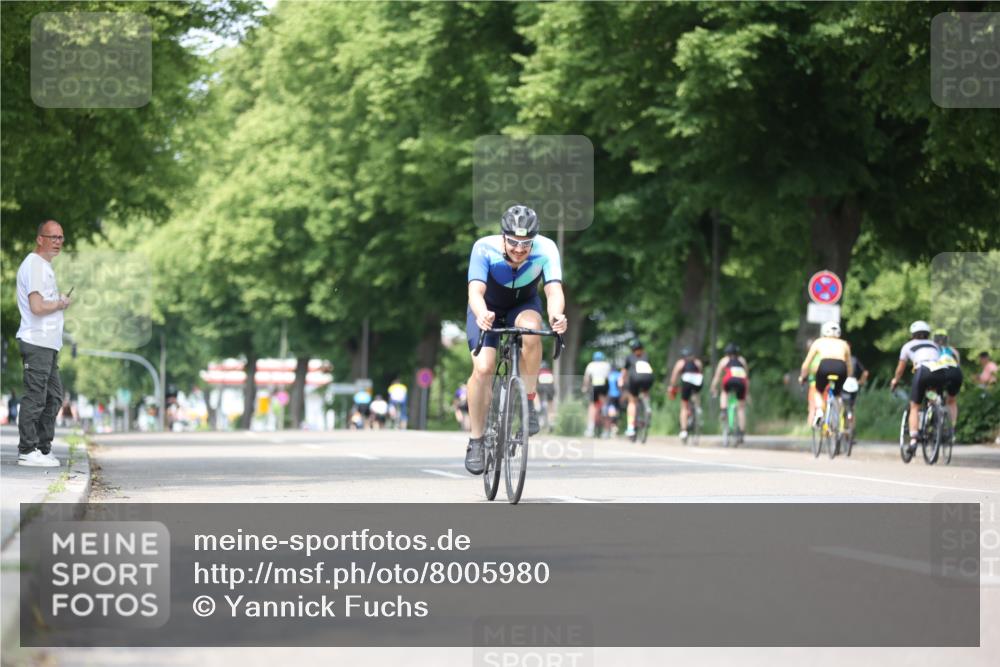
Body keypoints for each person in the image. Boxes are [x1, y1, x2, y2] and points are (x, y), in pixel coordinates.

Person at [464, 205, 567, 474]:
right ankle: (476, 440)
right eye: (513, 242)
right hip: (486, 308)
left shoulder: (547, 249)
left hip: (523, 306)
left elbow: (553, 290)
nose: (520, 249)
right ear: (503, 237)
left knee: (533, 331)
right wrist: (481, 313)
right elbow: (475, 291)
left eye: (526, 244)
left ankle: (528, 401)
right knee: (484, 368)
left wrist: (557, 315)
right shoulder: (483, 248)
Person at [15, 221, 71, 467]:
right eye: (52, 237)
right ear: (40, 239)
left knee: (54, 397)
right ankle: (27, 450)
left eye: (60, 237)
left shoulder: (44, 267)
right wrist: (59, 303)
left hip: (48, 344)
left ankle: (42, 448)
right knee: (36, 397)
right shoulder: (34, 265)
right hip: (36, 341)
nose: (57, 241)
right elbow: (37, 307)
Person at [889, 320, 958, 452]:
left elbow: (900, 369)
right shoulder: (935, 345)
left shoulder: (908, 346)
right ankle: (935, 411)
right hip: (939, 372)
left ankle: (914, 439)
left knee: (914, 406)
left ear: (913, 334)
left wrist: (895, 380)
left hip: (923, 371)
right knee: (931, 392)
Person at [798, 321, 852, 428]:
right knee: (838, 394)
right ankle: (838, 418)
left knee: (818, 391)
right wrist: (849, 378)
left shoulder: (819, 342)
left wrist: (802, 377)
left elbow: (806, 363)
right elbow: (849, 364)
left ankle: (820, 412)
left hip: (824, 365)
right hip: (841, 367)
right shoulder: (844, 344)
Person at [710, 343, 750, 440]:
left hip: (729, 380)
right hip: (741, 382)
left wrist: (713, 387)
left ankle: (723, 410)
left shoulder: (724, 360)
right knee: (741, 408)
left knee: (724, 392)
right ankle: (741, 432)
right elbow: (746, 376)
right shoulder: (742, 360)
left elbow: (717, 376)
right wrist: (747, 392)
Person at [621, 340, 655, 439]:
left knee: (632, 402)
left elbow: (624, 372)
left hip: (635, 379)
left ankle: (631, 427)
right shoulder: (646, 356)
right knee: (645, 391)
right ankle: (647, 406)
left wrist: (622, 382)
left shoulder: (629, 357)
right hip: (648, 378)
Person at [669, 347, 703, 442]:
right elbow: (700, 372)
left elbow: (674, 375)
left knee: (684, 405)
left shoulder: (681, 362)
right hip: (698, 381)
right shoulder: (697, 362)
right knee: (696, 394)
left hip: (686, 382)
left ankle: (684, 431)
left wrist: (672, 386)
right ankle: (698, 408)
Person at [582, 351, 612, 437]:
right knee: (604, 406)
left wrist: (585, 387)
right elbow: (608, 377)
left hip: (595, 386)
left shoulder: (591, 365)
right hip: (604, 387)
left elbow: (587, 378)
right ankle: (606, 431)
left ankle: (590, 429)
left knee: (592, 406)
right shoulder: (606, 365)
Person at [841, 354, 869, 442]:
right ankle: (852, 432)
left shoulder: (840, 358)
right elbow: (865, 372)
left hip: (844, 384)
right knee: (852, 409)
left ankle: (842, 431)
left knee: (842, 408)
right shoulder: (854, 359)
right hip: (854, 385)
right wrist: (861, 382)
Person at [536, 361, 556, 431]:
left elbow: (536, 383)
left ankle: (538, 406)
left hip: (541, 388)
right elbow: (553, 383)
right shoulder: (549, 372)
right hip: (550, 389)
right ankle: (552, 422)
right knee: (551, 405)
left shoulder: (539, 372)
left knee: (535, 391)